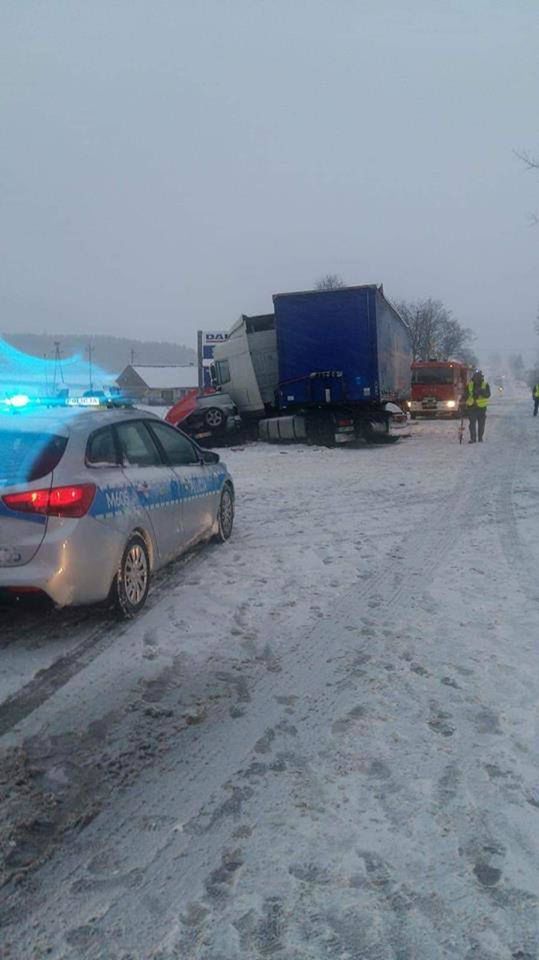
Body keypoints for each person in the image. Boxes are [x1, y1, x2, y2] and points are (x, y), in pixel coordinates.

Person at [464, 370, 491, 443]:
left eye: (478, 377)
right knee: (472, 424)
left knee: (481, 424)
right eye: (476, 377)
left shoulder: (485, 385)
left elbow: (488, 395)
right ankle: (473, 438)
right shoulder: (469, 385)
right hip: (472, 407)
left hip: (482, 408)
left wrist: (482, 392)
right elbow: (465, 395)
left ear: (481, 377)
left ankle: (480, 438)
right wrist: (463, 402)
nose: (477, 378)